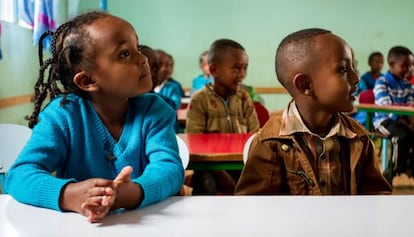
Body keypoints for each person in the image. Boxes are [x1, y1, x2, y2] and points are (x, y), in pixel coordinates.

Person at [4, 11, 184, 222]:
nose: (143, 58)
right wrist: (68, 194)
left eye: (137, 47)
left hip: (143, 224)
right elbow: (19, 175)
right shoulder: (62, 116)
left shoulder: (155, 110)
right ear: (88, 80)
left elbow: (170, 168)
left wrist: (133, 192)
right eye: (125, 54)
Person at [235, 28, 391, 195]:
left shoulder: (358, 138)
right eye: (343, 70)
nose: (356, 78)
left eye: (353, 68)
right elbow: (253, 209)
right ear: (305, 85)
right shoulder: (270, 144)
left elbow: (376, 200)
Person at [186, 39, 260, 195]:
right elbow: (195, 142)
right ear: (214, 70)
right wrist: (219, 173)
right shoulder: (200, 100)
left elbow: (255, 136)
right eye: (236, 68)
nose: (242, 75)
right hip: (210, 167)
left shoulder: (244, 97)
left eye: (245, 68)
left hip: (242, 164)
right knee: (205, 185)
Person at [374, 46, 414, 177]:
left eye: (411, 66)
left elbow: (410, 104)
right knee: (401, 136)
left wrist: (409, 120)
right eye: (405, 66)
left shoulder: (407, 85)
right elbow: (385, 106)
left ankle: (410, 166)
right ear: (391, 64)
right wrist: (402, 119)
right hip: (383, 121)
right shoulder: (382, 82)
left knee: (409, 133)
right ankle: (394, 170)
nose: (408, 69)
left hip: (402, 121)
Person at [141, 45, 180, 132]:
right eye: (143, 66)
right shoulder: (120, 105)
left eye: (155, 68)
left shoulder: (167, 105)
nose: (151, 73)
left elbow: (173, 138)